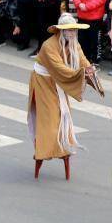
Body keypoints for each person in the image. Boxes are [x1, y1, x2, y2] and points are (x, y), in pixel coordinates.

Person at [27, 13, 95, 180]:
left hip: (59, 81)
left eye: (73, 30)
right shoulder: (48, 46)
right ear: (61, 31)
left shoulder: (73, 43)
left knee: (63, 115)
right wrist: (80, 73)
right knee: (49, 118)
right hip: (43, 82)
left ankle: (64, 147)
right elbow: (60, 69)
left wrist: (89, 70)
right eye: (68, 30)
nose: (72, 33)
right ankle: (44, 151)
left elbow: (81, 59)